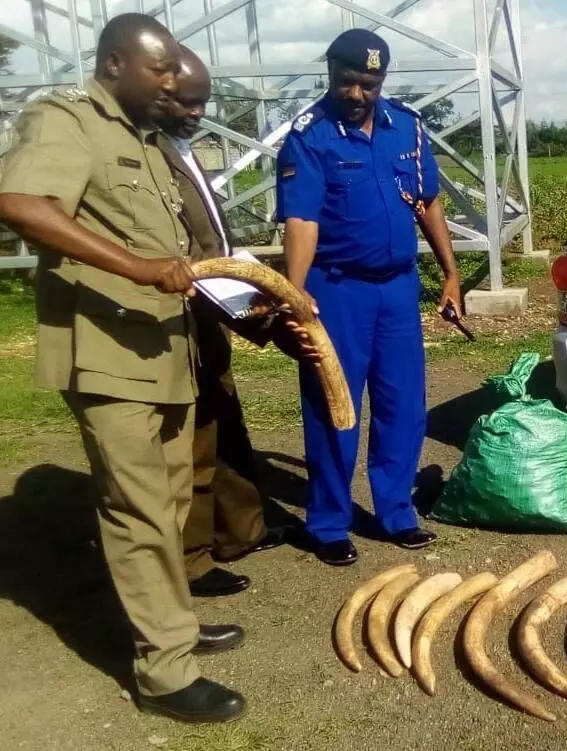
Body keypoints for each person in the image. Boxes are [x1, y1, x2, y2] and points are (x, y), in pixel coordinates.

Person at [0, 13, 245, 723]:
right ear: (114, 64)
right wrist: (136, 267)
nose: (173, 82)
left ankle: (166, 621)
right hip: (107, 354)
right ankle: (165, 671)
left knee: (168, 503)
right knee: (139, 509)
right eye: (160, 69)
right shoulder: (66, 119)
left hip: (162, 350)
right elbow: (20, 202)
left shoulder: (142, 137)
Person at [274, 28, 462, 566]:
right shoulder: (311, 136)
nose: (357, 94)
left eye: (369, 84)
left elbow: (427, 203)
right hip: (337, 289)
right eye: (347, 82)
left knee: (403, 405)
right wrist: (294, 291)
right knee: (335, 404)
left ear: (383, 81)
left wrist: (449, 274)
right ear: (330, 73)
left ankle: (396, 512)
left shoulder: (408, 126)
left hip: (399, 289)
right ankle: (329, 521)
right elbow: (302, 219)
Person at [154, 46, 316, 597]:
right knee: (195, 437)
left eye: (203, 103)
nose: (198, 113)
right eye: (186, 102)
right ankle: (194, 559)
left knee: (224, 419)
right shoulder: (147, 151)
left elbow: (211, 241)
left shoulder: (180, 147)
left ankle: (242, 531)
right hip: (179, 315)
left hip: (211, 306)